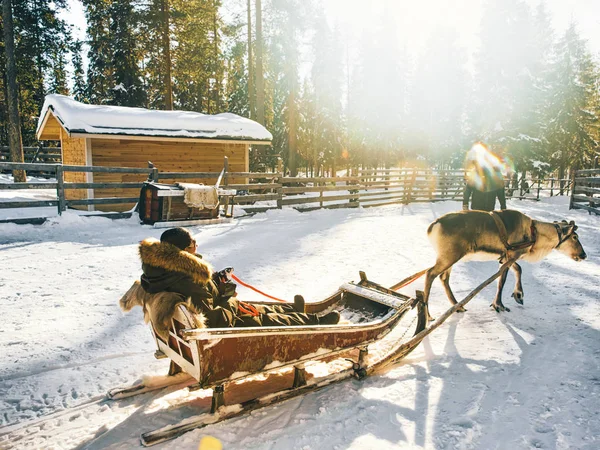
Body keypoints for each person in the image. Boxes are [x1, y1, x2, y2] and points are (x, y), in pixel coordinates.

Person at [138, 227, 340, 328]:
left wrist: (217, 280)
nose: (196, 244)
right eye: (193, 242)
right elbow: (211, 319)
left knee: (258, 308)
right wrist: (232, 305)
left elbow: (201, 294)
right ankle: (316, 322)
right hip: (225, 330)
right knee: (265, 320)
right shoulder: (188, 279)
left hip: (219, 310)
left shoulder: (167, 272)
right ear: (183, 251)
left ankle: (292, 310)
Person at [462, 146, 507, 212]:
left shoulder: (495, 174)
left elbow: (501, 192)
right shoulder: (477, 172)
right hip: (477, 208)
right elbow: (468, 189)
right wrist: (465, 204)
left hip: (488, 208)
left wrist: (503, 207)